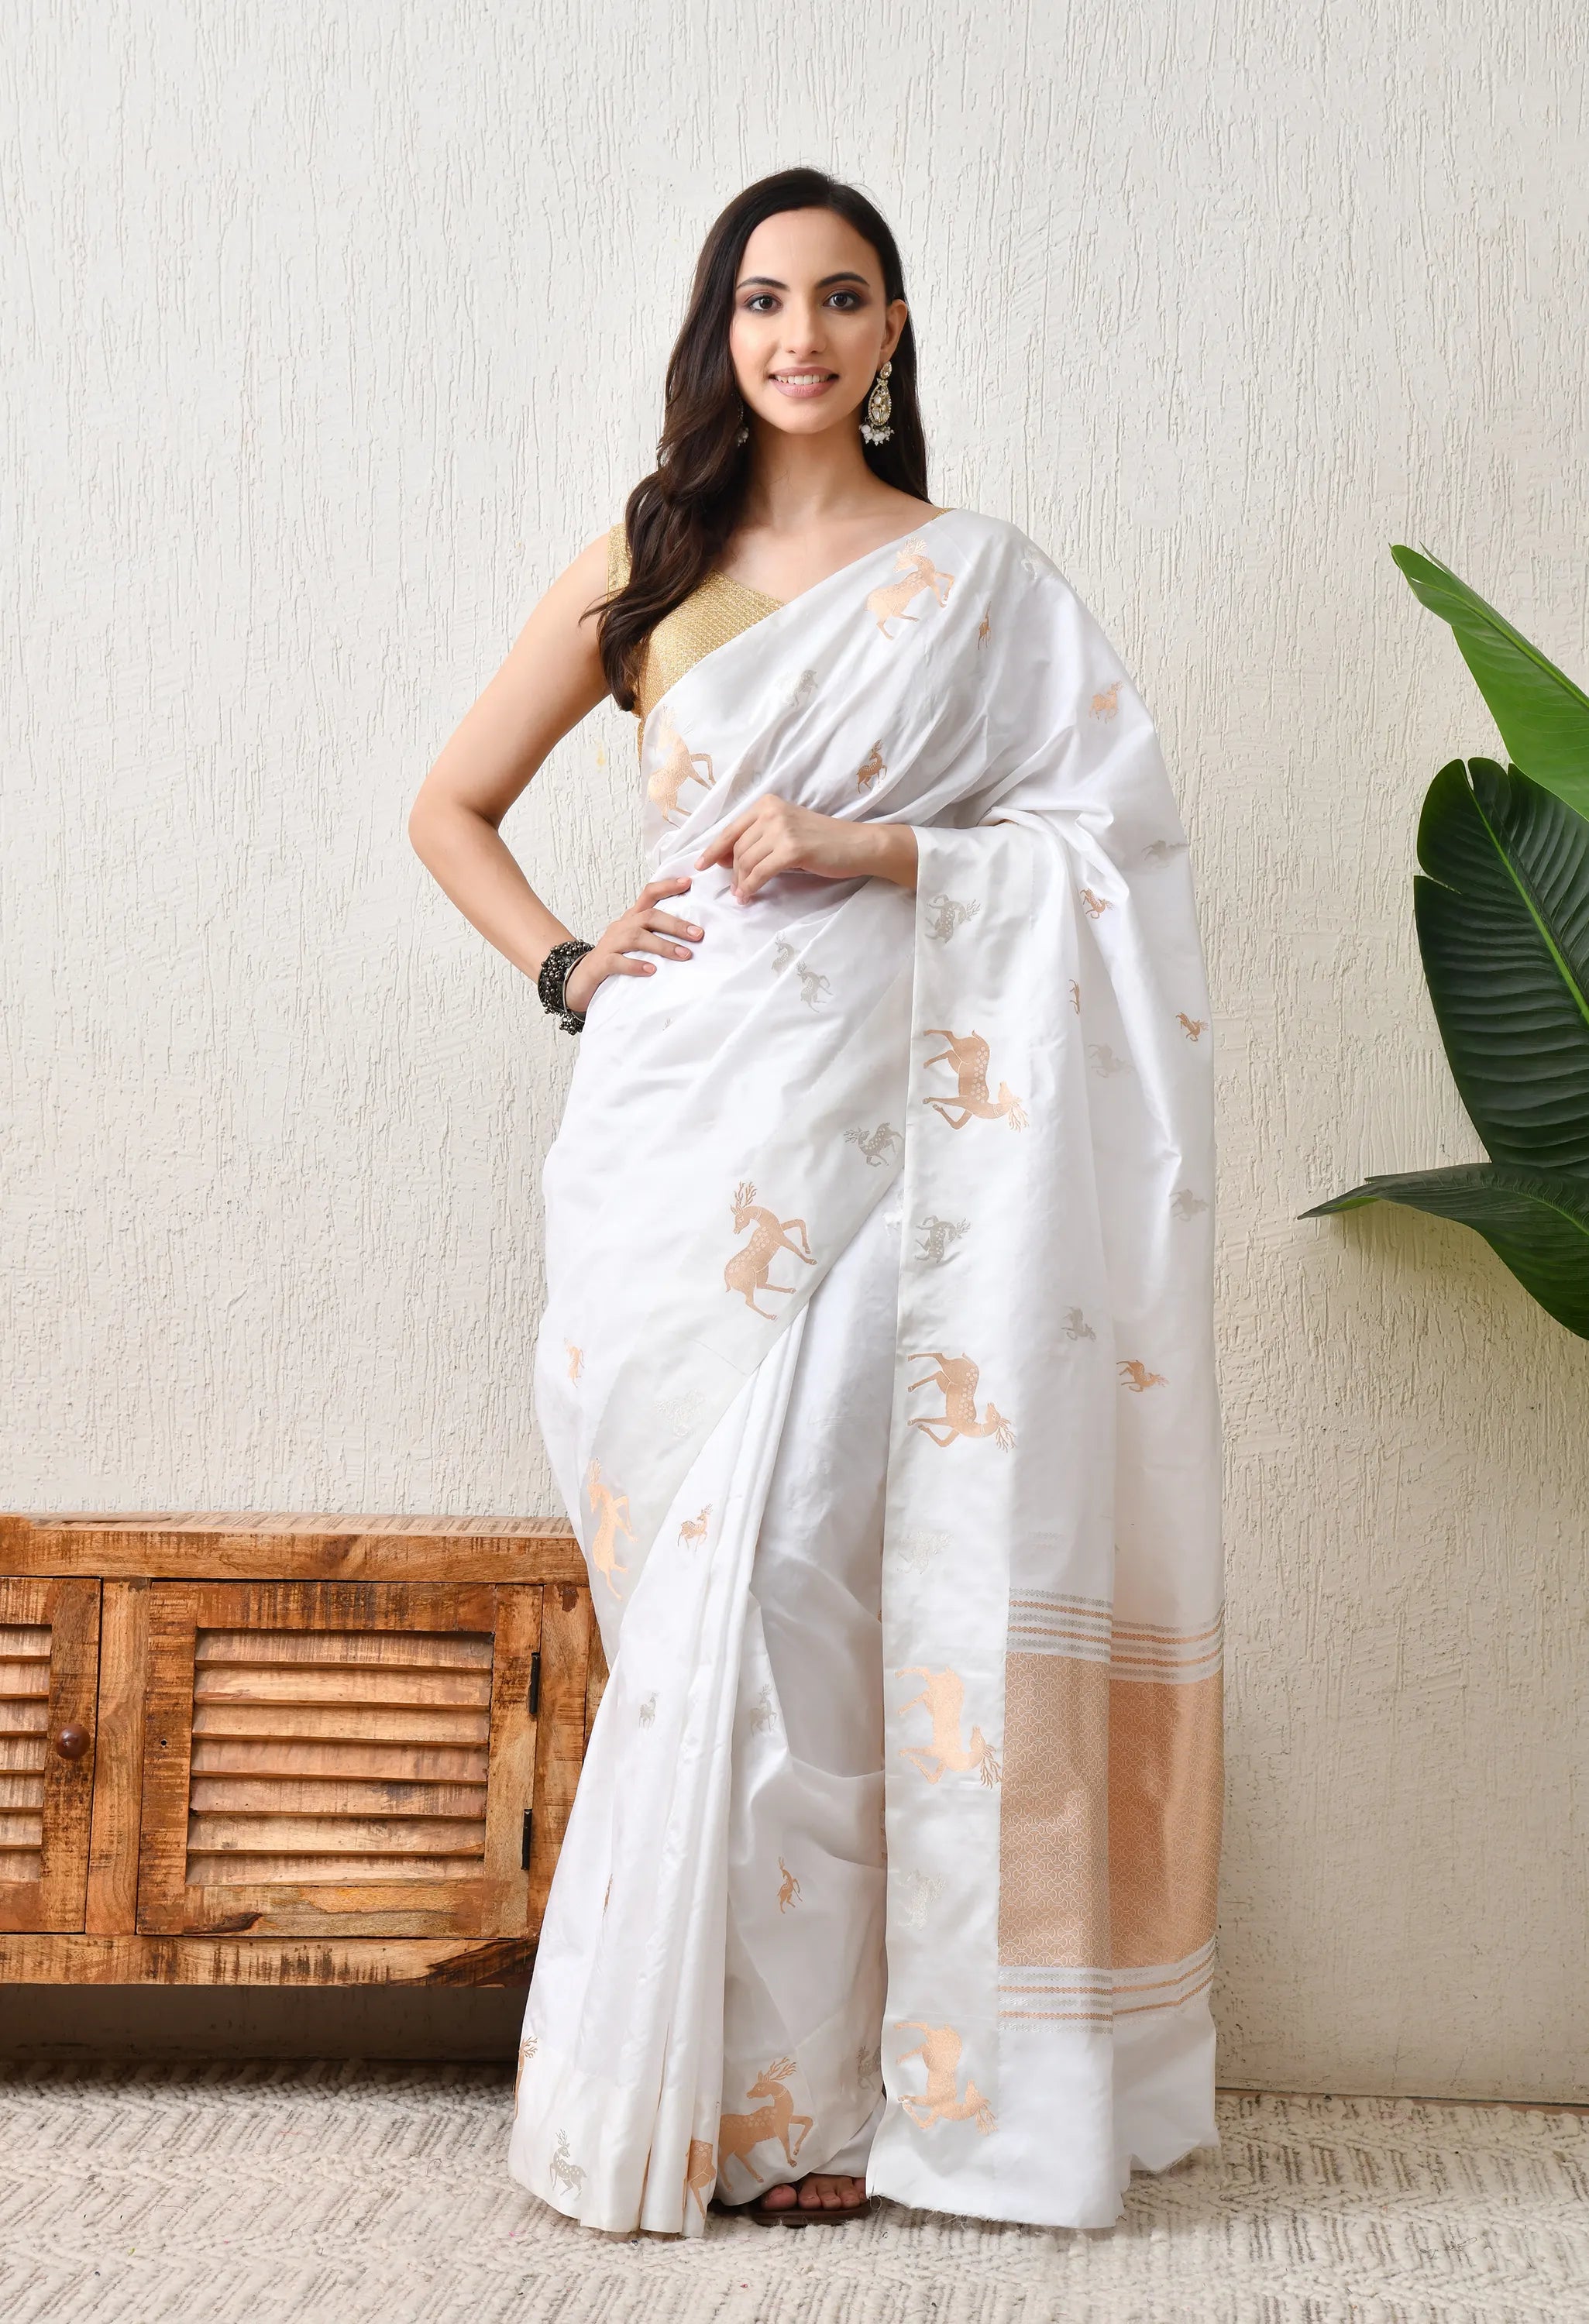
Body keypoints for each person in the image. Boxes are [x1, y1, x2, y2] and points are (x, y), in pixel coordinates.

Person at [408, 167, 1222, 2238]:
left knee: (826, 1584)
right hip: (670, 1139)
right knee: (695, 1603)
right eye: (763, 301)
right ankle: (703, 2087)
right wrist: (569, 967)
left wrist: (878, 851)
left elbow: (1110, 850)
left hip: (904, 1148)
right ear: (723, 329)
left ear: (890, 333)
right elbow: (450, 805)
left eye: (840, 299)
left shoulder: (979, 581)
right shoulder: (648, 557)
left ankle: (833, 2100)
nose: (799, 336)